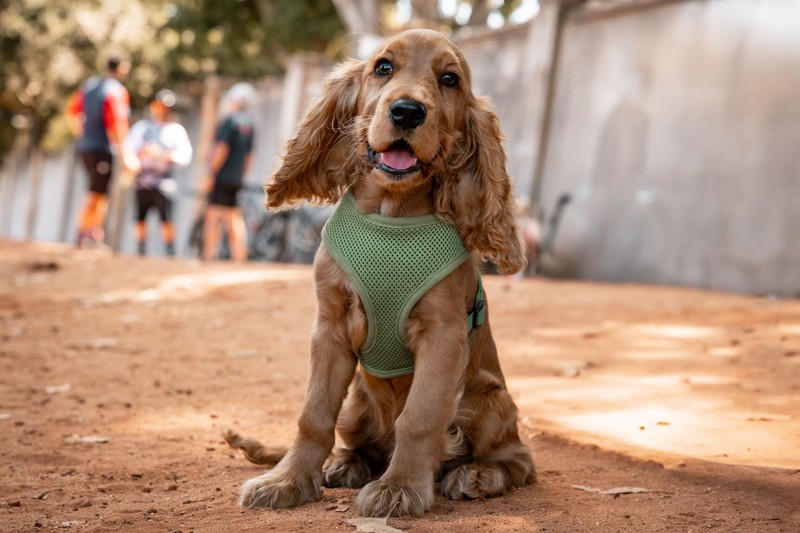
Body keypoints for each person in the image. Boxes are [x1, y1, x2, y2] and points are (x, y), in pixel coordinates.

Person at [66, 56, 139, 248]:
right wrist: (127, 155)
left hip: (86, 147)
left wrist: (84, 134)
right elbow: (116, 125)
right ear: (121, 68)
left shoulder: (88, 87)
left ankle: (92, 234)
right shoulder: (115, 91)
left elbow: (73, 114)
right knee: (96, 193)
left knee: (98, 191)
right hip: (102, 148)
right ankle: (85, 235)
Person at [124, 89, 193, 256]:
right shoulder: (142, 127)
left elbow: (184, 156)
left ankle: (170, 250)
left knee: (166, 218)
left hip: (164, 181)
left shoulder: (176, 130)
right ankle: (140, 250)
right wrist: (139, 157)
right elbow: (129, 150)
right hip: (142, 179)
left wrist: (166, 156)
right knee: (140, 217)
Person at [202, 83, 256, 262]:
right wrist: (241, 175)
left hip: (223, 176)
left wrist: (211, 172)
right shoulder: (250, 124)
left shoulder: (229, 121)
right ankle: (239, 254)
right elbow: (249, 156)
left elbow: (221, 148)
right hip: (236, 178)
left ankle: (209, 254)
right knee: (232, 214)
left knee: (213, 215)